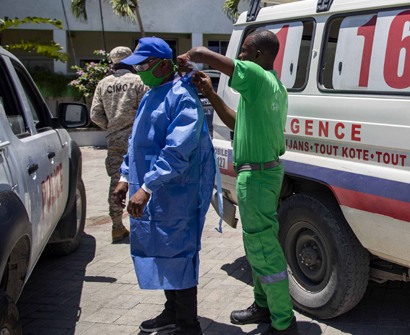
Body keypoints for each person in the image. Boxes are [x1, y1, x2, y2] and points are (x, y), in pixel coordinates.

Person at [177, 30, 297, 335]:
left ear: (258, 56)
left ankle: (284, 323)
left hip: (256, 176)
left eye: (243, 51)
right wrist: (210, 93)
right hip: (262, 174)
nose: (239, 56)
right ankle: (264, 305)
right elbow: (236, 122)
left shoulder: (255, 75)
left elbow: (207, 56)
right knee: (257, 244)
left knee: (264, 248)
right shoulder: (272, 87)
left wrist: (194, 57)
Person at [113, 37, 216, 335]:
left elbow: (177, 151)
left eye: (144, 64)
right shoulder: (151, 94)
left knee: (178, 255)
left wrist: (147, 187)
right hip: (150, 193)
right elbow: (137, 144)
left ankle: (188, 324)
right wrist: (124, 178)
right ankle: (171, 312)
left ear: (161, 64)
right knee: (160, 253)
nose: (140, 70)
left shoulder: (182, 97)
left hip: (174, 194)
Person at [90, 46, 148, 243]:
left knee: (117, 182)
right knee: (143, 181)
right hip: (138, 138)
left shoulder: (102, 84)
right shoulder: (139, 82)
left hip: (114, 139)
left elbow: (95, 114)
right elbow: (148, 110)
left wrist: (112, 127)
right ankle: (142, 224)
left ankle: (116, 226)